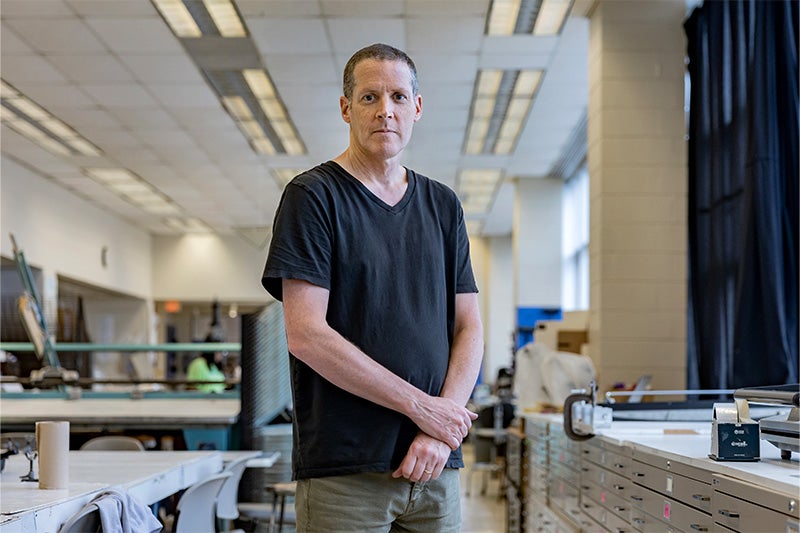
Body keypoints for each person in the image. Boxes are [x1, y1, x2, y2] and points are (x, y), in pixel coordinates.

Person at [261, 43, 484, 532]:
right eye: (369, 97)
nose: (386, 110)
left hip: (435, 469)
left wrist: (439, 434)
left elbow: (469, 328)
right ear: (346, 108)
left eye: (399, 97)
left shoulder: (443, 206)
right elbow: (306, 335)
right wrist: (424, 409)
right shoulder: (313, 197)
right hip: (346, 472)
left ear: (417, 108)